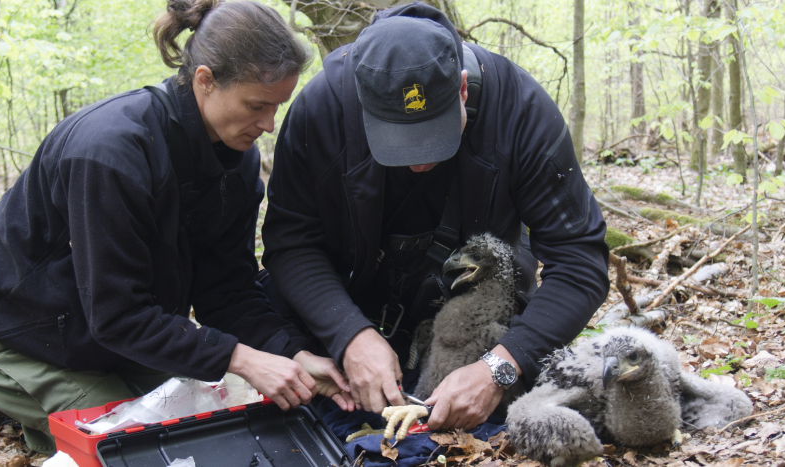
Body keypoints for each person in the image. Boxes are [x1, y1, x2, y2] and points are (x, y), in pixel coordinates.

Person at [0, 0, 353, 455]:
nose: (269, 125)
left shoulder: (236, 161)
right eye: (256, 106)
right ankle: (5, 395)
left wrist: (290, 354)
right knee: (135, 445)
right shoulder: (110, 153)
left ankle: (44, 398)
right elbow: (118, 314)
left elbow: (226, 288)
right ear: (205, 80)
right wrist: (242, 358)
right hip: (12, 323)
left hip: (98, 329)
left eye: (277, 107)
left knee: (215, 417)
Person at [261, 1, 610, 432]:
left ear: (462, 88)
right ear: (361, 103)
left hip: (474, 319)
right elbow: (290, 245)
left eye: (435, 135)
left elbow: (580, 261)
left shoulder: (520, 112)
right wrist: (348, 334)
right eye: (398, 142)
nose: (418, 163)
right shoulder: (322, 112)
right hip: (353, 296)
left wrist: (500, 367)